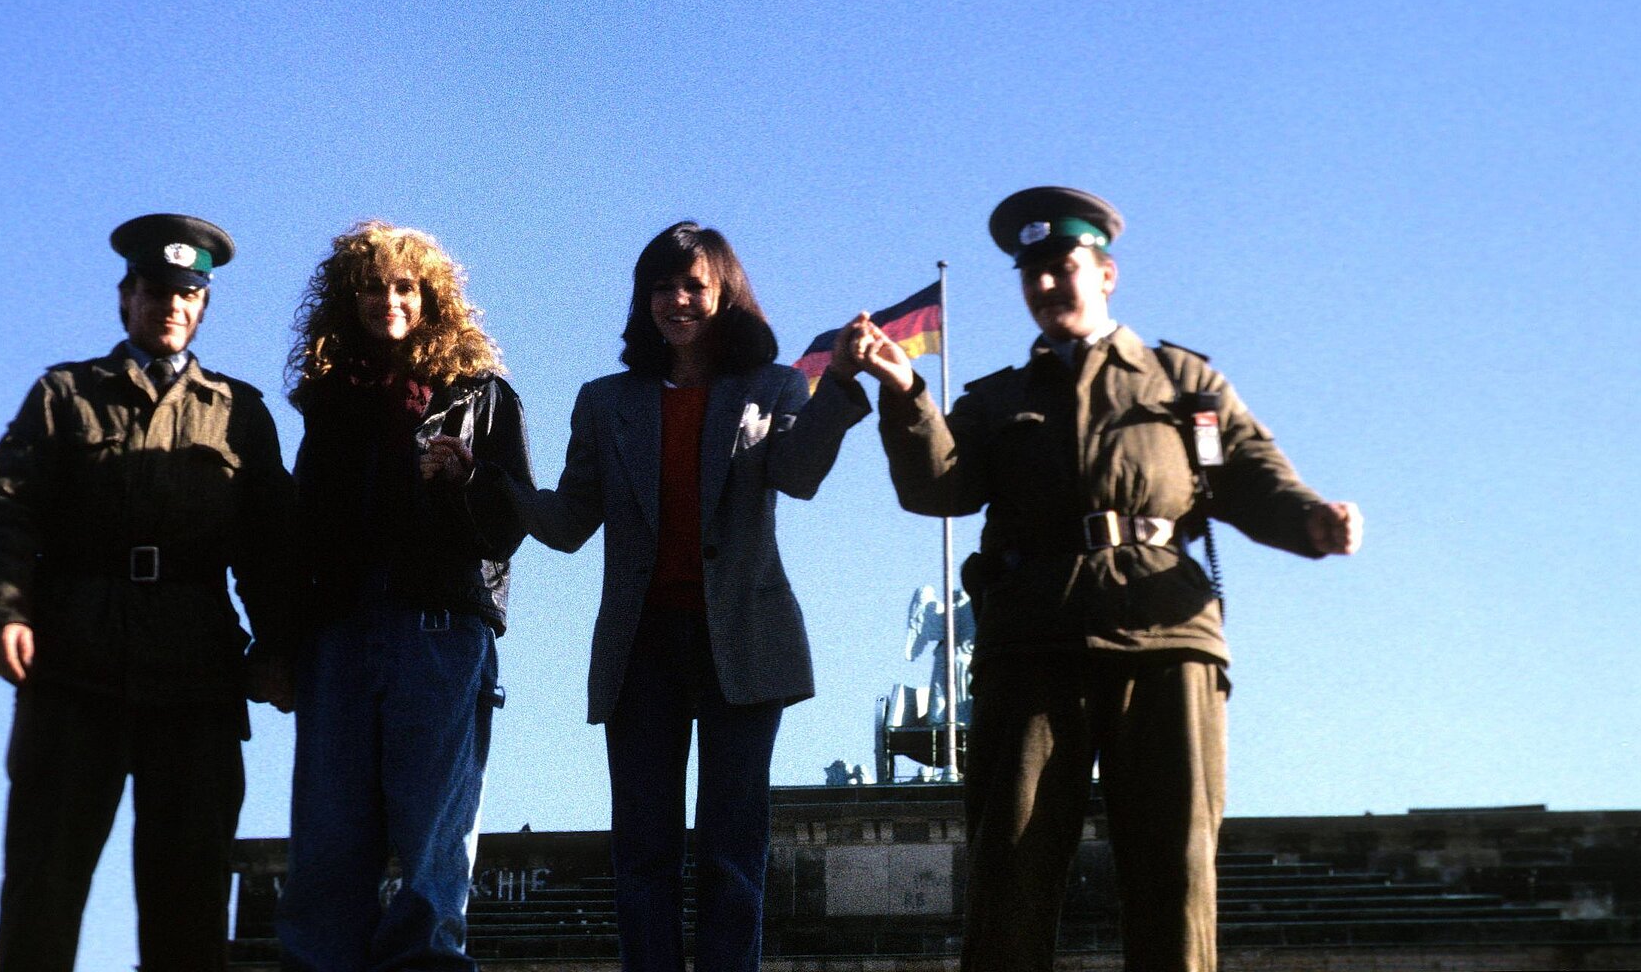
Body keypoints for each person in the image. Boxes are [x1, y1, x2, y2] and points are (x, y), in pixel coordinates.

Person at [846, 187, 1363, 972]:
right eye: (1032, 275)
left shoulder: (1181, 383)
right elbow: (938, 491)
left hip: (1165, 636)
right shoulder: (997, 399)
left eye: (1063, 267)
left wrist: (1313, 523)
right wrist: (909, 396)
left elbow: (1250, 478)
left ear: (1106, 273)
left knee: (1175, 870)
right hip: (1033, 644)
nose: (1047, 286)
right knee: (1010, 866)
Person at [501, 221, 870, 972]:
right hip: (642, 650)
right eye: (661, 287)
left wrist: (840, 386)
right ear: (644, 302)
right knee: (643, 852)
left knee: (734, 849)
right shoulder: (606, 402)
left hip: (743, 639)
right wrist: (488, 479)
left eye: (693, 285)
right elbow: (571, 524)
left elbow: (798, 476)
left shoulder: (772, 387)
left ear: (724, 293)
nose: (676, 300)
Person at [0, 213, 294, 972]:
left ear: (203, 306)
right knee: (42, 890)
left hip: (196, 680)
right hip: (74, 668)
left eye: (187, 294)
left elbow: (271, 546)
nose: (171, 306)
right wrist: (2, 612)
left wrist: (277, 647)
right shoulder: (65, 393)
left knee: (188, 903)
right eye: (156, 291)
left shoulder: (239, 412)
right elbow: (6, 512)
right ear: (127, 298)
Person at [274, 222, 532, 972]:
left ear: (430, 299)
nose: (388, 299)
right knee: (326, 851)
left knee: (431, 857)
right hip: (340, 636)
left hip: (441, 634)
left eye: (404, 286)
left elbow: (510, 525)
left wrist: (466, 480)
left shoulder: (482, 395)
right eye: (372, 286)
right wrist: (284, 647)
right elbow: (301, 538)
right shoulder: (328, 406)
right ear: (348, 301)